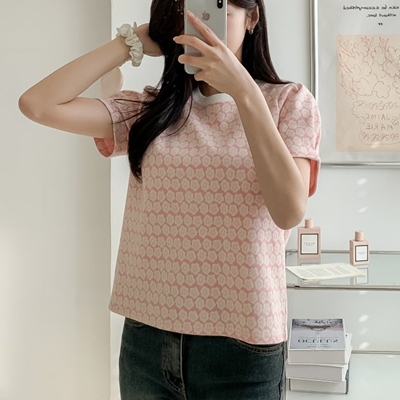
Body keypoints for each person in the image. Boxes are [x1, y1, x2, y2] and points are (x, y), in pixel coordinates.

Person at [19, 0, 321, 399]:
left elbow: (288, 211)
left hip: (241, 347)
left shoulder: (290, 103)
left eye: (218, 10)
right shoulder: (151, 109)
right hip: (147, 340)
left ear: (252, 17)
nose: (201, 25)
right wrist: (130, 42)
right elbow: (37, 104)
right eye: (188, 11)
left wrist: (244, 91)